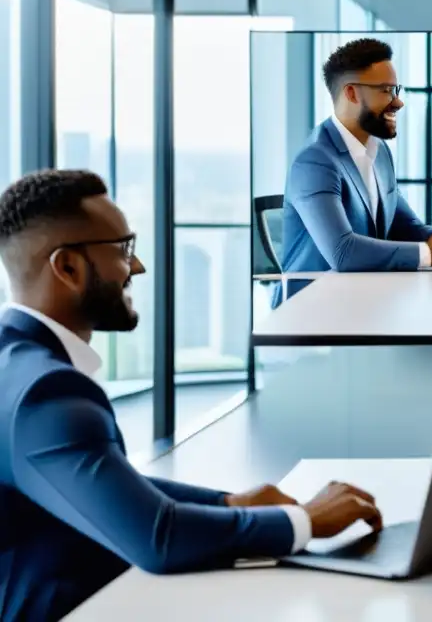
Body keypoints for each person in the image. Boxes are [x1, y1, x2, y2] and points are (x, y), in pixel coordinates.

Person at [0, 170, 384, 621]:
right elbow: (157, 539)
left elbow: (103, 477)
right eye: (123, 249)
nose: (137, 267)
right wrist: (307, 521)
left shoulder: (18, 363)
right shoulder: (47, 394)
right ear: (67, 267)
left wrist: (227, 503)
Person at [277, 38, 432, 303]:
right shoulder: (315, 161)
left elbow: (403, 225)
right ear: (352, 93)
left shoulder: (378, 152)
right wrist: (430, 253)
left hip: (361, 299)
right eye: (386, 91)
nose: (398, 102)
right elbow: (343, 252)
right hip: (310, 313)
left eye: (396, 90)